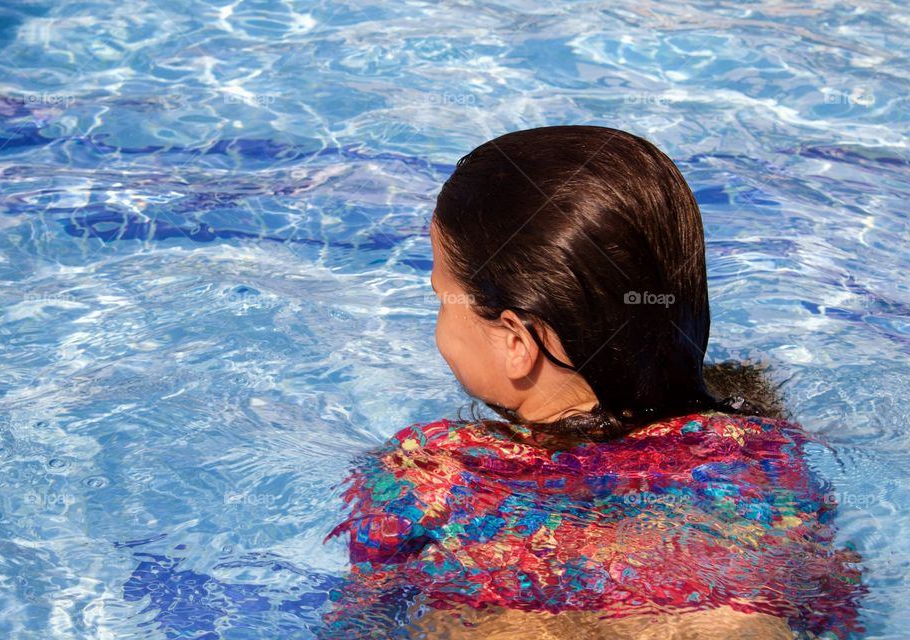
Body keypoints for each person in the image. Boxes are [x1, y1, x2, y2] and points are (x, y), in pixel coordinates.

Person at [318, 126, 867, 639]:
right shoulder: (765, 455)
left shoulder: (432, 467)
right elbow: (832, 604)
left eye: (443, 298)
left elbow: (365, 615)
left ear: (515, 341)